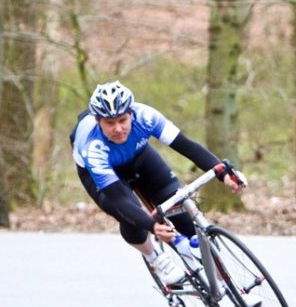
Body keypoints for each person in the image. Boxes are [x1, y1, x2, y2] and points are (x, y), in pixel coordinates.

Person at [71, 81, 243, 288]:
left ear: (131, 113)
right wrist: (152, 226)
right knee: (130, 215)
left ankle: (232, 288)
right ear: (98, 121)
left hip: (139, 155)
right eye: (110, 123)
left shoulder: (146, 116)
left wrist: (223, 172)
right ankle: (155, 258)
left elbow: (187, 147)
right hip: (103, 172)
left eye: (123, 120)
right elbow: (119, 198)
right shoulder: (93, 147)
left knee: (179, 208)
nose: (118, 128)